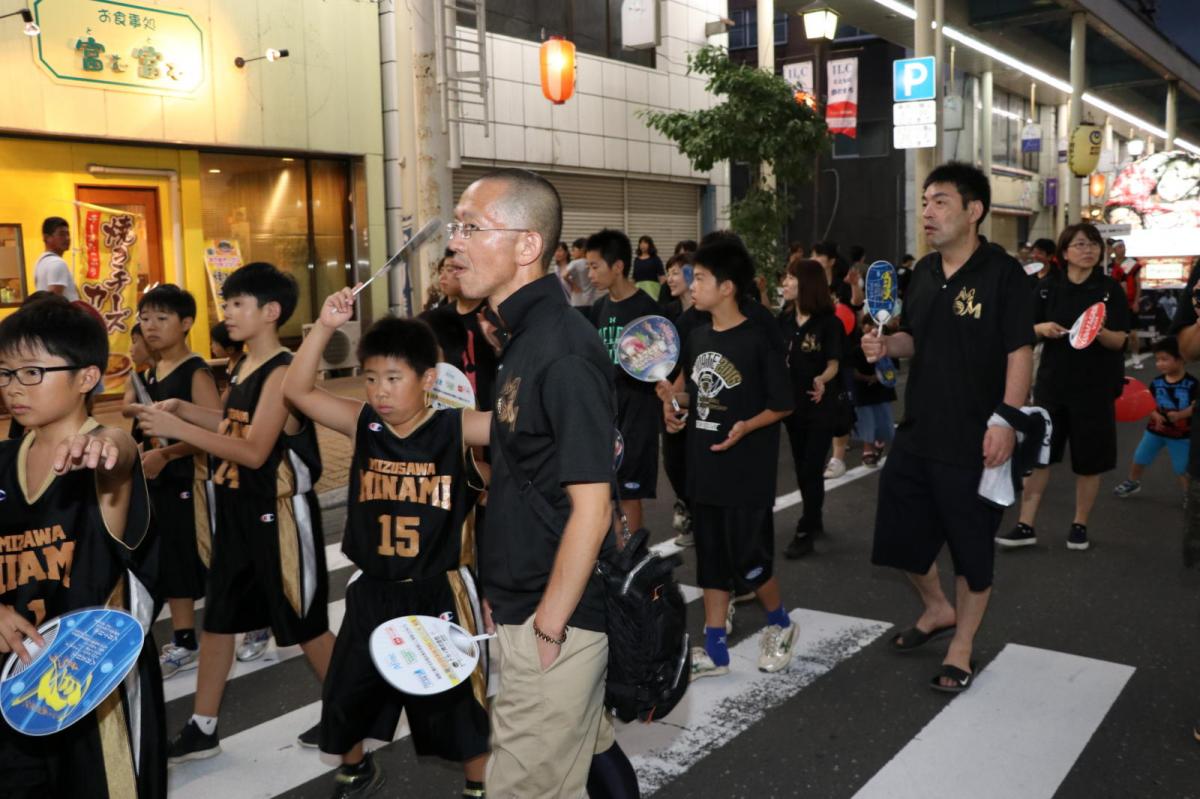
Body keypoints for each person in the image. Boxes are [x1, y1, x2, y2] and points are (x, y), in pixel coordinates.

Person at [447, 168, 639, 799]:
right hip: (526, 599)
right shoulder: (525, 337)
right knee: (594, 754)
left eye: (472, 227)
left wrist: (549, 626)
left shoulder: (560, 348)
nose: (455, 242)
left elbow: (593, 505)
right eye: (456, 227)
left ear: (527, 247)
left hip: (553, 620)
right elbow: (513, 438)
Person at [284, 295, 490, 799]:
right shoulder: (364, 424)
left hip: (439, 590)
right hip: (374, 587)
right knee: (347, 691)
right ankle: (356, 770)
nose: (380, 391)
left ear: (427, 378)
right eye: (371, 377)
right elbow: (297, 389)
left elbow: (525, 427)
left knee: (458, 703)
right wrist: (325, 324)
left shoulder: (454, 427)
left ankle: (480, 786)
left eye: (393, 378)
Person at [133, 262, 335, 762]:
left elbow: (253, 450)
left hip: (280, 515)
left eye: (237, 304)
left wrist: (175, 430)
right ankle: (204, 726)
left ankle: (348, 714)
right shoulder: (243, 364)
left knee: (305, 626)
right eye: (226, 303)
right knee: (220, 619)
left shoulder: (285, 371)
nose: (227, 313)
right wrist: (184, 410)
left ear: (271, 312)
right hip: (238, 512)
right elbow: (232, 424)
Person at [864, 161, 1034, 693]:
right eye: (926, 202)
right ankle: (937, 610)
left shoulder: (1004, 275)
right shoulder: (924, 275)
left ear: (973, 211)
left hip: (975, 435)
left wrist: (1006, 419)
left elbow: (1019, 353)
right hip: (918, 431)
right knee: (902, 537)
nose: (928, 213)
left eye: (940, 202)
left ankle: (961, 647)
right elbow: (916, 338)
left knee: (970, 547)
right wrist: (888, 345)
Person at [0, 296, 164, 797]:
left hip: (96, 689)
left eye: (32, 372)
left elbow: (120, 456)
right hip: (16, 687)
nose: (13, 388)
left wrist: (113, 444)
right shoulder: (5, 459)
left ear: (87, 377)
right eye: (5, 373)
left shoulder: (102, 455)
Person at [662, 238, 796, 680]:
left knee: (751, 562)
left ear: (728, 287)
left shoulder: (758, 340)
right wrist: (674, 402)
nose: (690, 284)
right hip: (705, 470)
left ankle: (781, 624)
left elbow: (783, 403)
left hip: (746, 472)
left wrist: (746, 426)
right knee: (713, 562)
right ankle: (715, 647)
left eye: (699, 278)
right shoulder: (697, 336)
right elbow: (695, 394)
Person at [998, 223, 1130, 552]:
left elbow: (1120, 341)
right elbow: (1022, 330)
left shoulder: (1109, 290)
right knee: (1039, 458)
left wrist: (1097, 331)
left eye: (1094, 245)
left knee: (1089, 461)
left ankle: (1079, 524)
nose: (1089, 250)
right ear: (1065, 252)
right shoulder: (1047, 288)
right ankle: (1026, 524)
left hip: (1095, 388)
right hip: (1052, 386)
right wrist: (1041, 327)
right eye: (1081, 244)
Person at [129, 286, 223, 678]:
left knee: (207, 560)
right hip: (160, 481)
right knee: (172, 562)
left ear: (185, 324)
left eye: (161, 318)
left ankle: (250, 622)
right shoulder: (150, 372)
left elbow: (218, 428)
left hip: (193, 481)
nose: (150, 326)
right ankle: (185, 640)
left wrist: (166, 455)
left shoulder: (195, 370)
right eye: (146, 318)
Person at [585, 229, 661, 533]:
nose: (589, 273)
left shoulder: (648, 311)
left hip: (638, 413)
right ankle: (615, 558)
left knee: (629, 494)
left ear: (617, 267)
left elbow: (660, 368)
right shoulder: (598, 309)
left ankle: (630, 561)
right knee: (608, 491)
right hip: (607, 413)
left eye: (594, 266)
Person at [778, 257, 842, 559]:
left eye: (791, 278)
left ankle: (805, 529)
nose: (785, 284)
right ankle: (814, 517)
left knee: (810, 468)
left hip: (820, 408)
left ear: (807, 284)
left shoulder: (829, 323)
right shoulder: (784, 320)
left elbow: (834, 363)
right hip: (792, 410)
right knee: (804, 470)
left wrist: (821, 379)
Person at [1114, 337, 1197, 500]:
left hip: (1180, 435)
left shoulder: (1193, 384)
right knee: (1140, 457)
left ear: (1181, 359)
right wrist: (1154, 415)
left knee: (1182, 467)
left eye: (1165, 359)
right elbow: (1147, 403)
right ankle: (1133, 481)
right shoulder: (1157, 382)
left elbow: (1196, 406)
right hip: (1155, 431)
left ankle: (1189, 496)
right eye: (1157, 359)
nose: (1159, 364)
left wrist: (1180, 415)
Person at [659, 253, 704, 546]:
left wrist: (675, 396)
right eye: (669, 273)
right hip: (677, 401)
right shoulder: (674, 317)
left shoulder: (708, 317)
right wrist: (669, 399)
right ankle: (688, 509)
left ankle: (699, 520)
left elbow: (688, 370)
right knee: (674, 462)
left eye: (677, 272)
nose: (671, 278)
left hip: (700, 401)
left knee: (696, 464)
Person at [421, 253, 500, 410]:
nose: (442, 276)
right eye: (441, 269)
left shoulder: (493, 314)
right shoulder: (436, 318)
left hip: (490, 413)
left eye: (450, 269)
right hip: (450, 410)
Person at [853, 314, 897, 467]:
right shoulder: (856, 344)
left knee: (884, 420)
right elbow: (851, 368)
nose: (867, 327)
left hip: (881, 389)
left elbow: (894, 367)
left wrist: (877, 377)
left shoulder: (885, 342)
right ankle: (867, 449)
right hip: (862, 390)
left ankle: (879, 443)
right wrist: (867, 378)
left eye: (871, 324)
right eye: (865, 324)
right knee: (866, 421)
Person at [1110, 239, 1144, 368]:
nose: (1122, 249)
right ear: (1114, 250)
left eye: (1123, 246)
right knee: (1118, 333)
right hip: (1114, 304)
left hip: (1129, 303)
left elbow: (1138, 284)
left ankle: (1136, 357)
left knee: (1133, 333)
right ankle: (1118, 358)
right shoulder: (1110, 265)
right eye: (1119, 247)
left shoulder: (1132, 263)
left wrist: (1136, 301)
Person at [33, 217, 79, 301]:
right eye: (61, 234)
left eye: (68, 234)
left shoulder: (41, 261)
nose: (67, 238)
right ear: (46, 238)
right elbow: (54, 301)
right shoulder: (57, 263)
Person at [209, 320, 243, 396]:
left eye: (215, 343)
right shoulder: (231, 362)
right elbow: (228, 391)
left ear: (230, 349)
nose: (211, 346)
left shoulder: (243, 367)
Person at [631, 235, 665, 300]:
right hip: (639, 290)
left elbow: (662, 277)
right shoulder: (636, 260)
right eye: (640, 243)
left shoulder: (655, 259)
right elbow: (634, 277)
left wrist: (663, 293)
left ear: (650, 245)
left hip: (652, 290)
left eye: (645, 243)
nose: (642, 245)